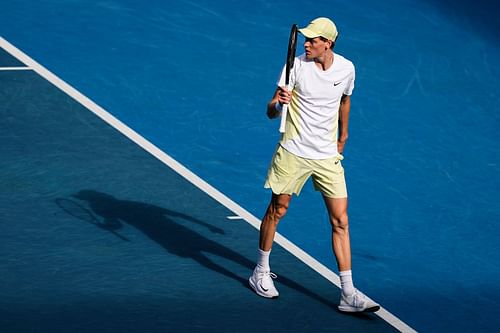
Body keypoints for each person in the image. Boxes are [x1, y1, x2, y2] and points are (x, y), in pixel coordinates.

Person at [248, 17, 380, 313]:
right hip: (293, 151)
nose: (306, 44)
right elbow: (270, 112)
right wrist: (278, 102)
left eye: (312, 40)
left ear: (328, 44)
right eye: (305, 39)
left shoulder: (346, 68)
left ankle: (348, 293)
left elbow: (345, 100)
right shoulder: (295, 67)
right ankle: (260, 271)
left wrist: (343, 135)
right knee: (277, 209)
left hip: (326, 156)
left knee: (340, 220)